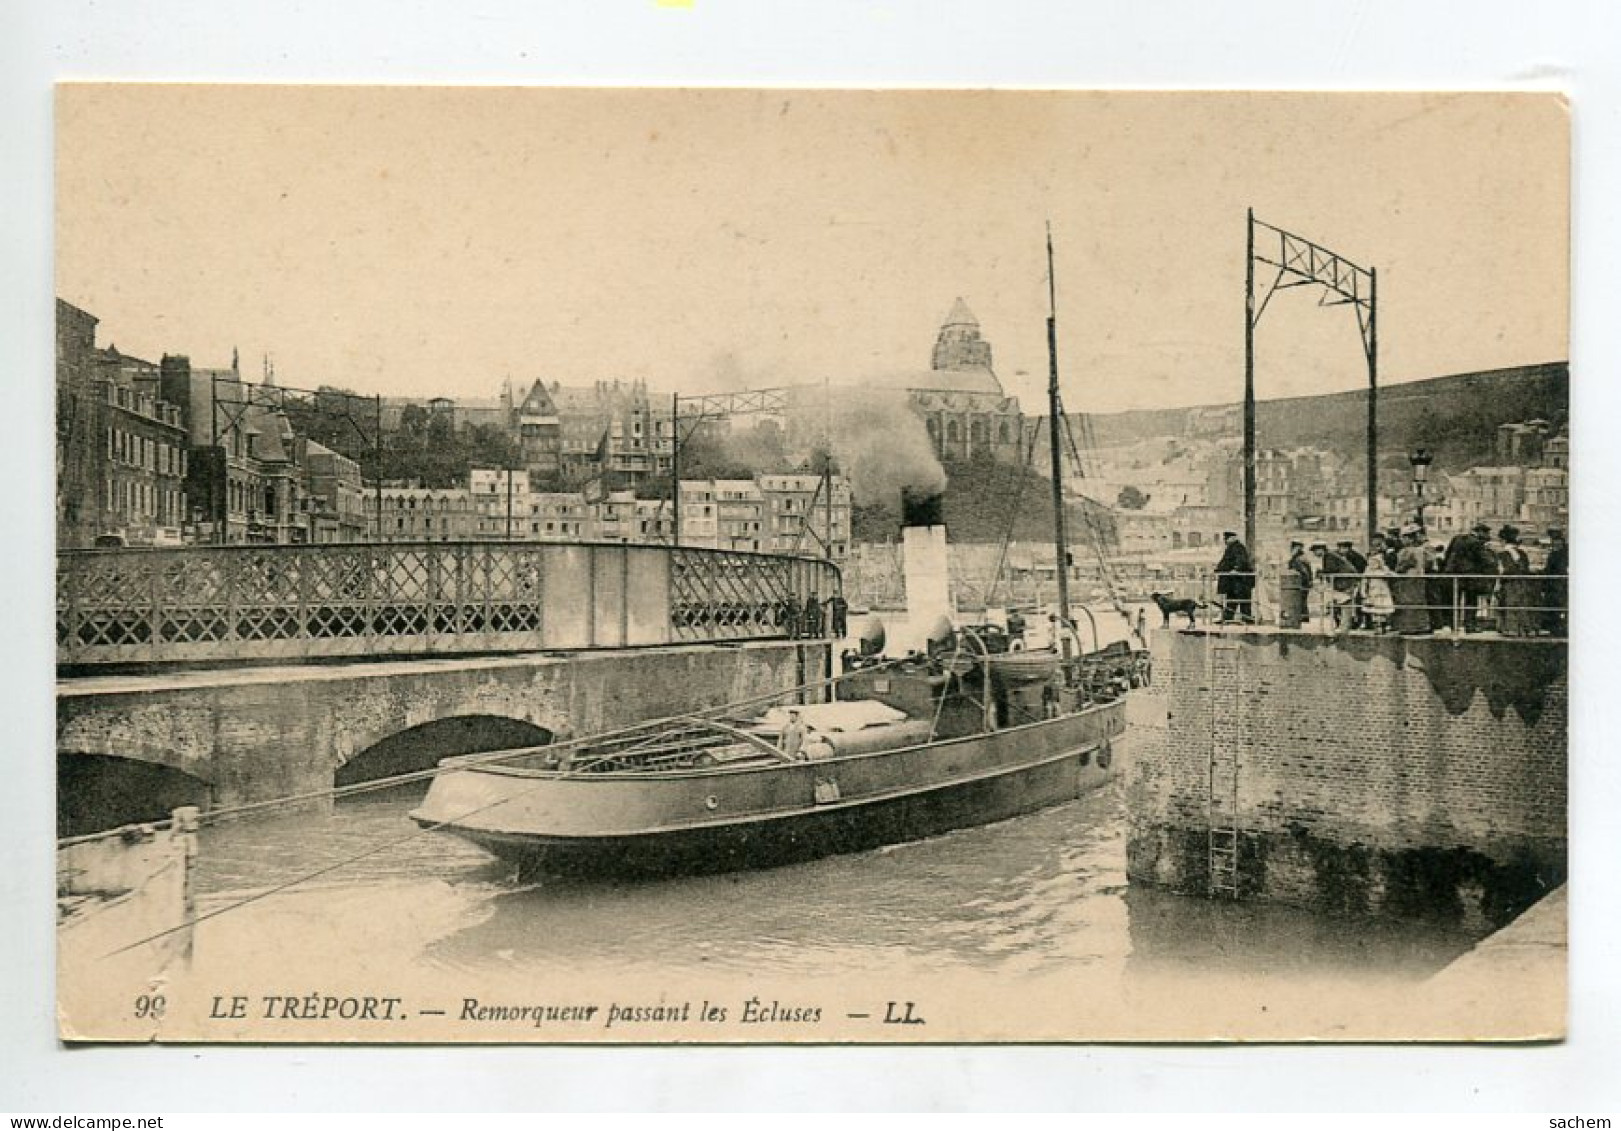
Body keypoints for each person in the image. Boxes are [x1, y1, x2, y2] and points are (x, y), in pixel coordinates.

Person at [1442, 522, 1500, 632]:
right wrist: (1493, 557)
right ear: (1480, 532)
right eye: (1486, 534)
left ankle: (1453, 625)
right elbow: (1486, 560)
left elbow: (1447, 555)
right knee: (1471, 601)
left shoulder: (1457, 538)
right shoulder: (1476, 543)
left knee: (1454, 601)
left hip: (1452, 574)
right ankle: (1470, 626)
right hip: (1469, 576)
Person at [1392, 524, 1433, 634]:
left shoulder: (1406, 552)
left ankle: (1409, 627)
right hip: (1420, 577)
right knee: (1419, 602)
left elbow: (1401, 567)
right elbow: (1429, 563)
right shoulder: (1422, 550)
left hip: (1407, 579)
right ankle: (1422, 626)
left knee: (1407, 602)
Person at [1494, 525, 1532, 636]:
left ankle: (1510, 629)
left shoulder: (1502, 554)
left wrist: (1497, 586)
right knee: (1522, 605)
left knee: (1508, 605)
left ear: (1504, 540)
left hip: (1509, 583)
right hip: (1522, 582)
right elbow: (1526, 568)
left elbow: (1501, 571)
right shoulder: (1522, 553)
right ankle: (1524, 630)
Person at [1213, 531, 1255, 624]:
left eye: (1226, 539)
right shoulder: (1232, 548)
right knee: (1232, 600)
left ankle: (1246, 618)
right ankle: (1229, 618)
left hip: (1240, 581)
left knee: (1242, 600)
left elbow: (1241, 561)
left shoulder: (1238, 548)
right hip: (1234, 581)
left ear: (1231, 538)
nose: (1225, 541)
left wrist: (1236, 569)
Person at [1542, 527, 1568, 636]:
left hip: (1556, 584)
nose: (1554, 543)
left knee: (1556, 605)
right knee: (1558, 606)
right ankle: (1557, 627)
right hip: (1557, 584)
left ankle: (1557, 628)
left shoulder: (1558, 554)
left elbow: (1553, 568)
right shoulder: (1562, 552)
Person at [1338, 538, 1368, 628]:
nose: (1341, 550)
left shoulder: (1355, 556)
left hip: (1357, 581)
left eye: (1343, 547)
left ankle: (1358, 622)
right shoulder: (1342, 556)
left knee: (1357, 601)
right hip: (1350, 582)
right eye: (1340, 547)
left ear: (1348, 548)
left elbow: (1360, 568)